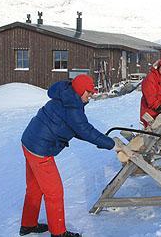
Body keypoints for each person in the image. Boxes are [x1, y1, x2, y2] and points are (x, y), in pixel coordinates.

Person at [19, 74, 115, 237]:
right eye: (89, 92)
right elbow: (84, 129)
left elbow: (75, 128)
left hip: (29, 142)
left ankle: (28, 225)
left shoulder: (66, 95)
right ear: (79, 90)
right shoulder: (72, 107)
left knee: (35, 188)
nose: (90, 96)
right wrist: (111, 143)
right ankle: (58, 233)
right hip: (40, 150)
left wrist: (101, 141)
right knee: (54, 192)